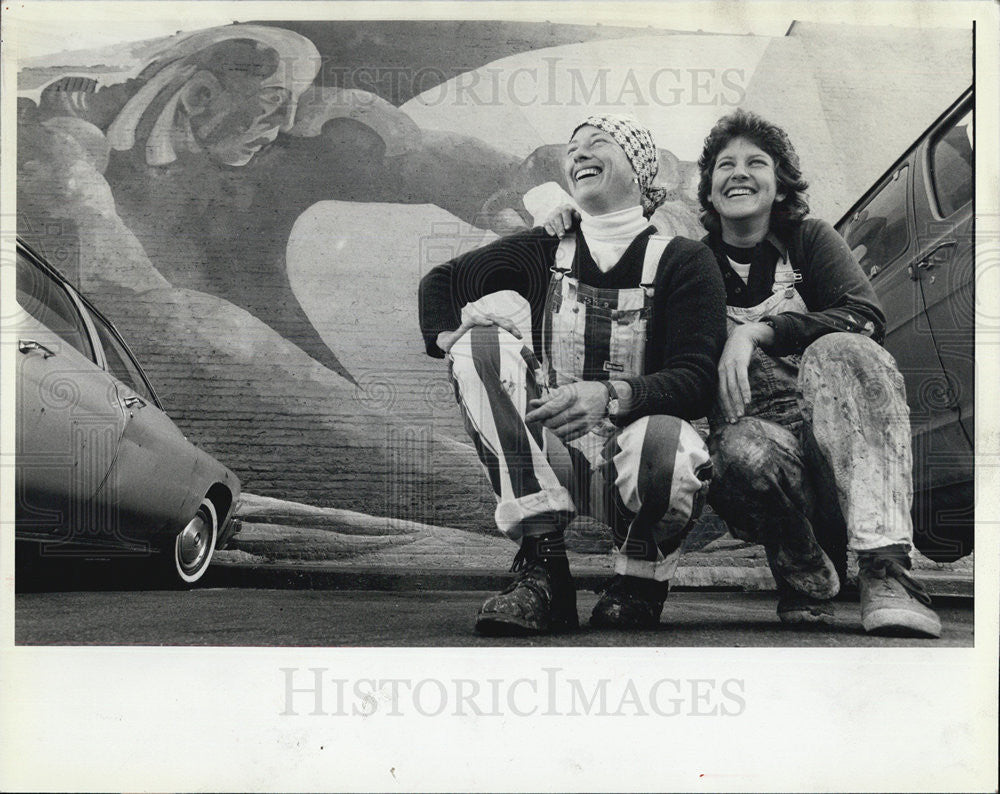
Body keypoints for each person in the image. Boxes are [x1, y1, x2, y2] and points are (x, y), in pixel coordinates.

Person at [549, 110, 942, 638]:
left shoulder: (810, 242)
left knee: (848, 350)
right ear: (707, 192)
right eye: (724, 165)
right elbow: (620, 248)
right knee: (733, 452)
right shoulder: (689, 261)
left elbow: (866, 316)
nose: (739, 172)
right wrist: (575, 221)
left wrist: (756, 332)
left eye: (756, 162)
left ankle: (886, 571)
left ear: (780, 186)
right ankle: (802, 567)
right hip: (761, 455)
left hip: (844, 449)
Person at [419, 114, 727, 635]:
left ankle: (639, 580)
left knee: (667, 440)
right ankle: (543, 568)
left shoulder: (685, 260)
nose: (579, 153)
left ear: (640, 171)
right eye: (573, 148)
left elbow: (696, 377)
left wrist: (609, 395)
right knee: (481, 344)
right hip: (555, 453)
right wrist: (448, 339)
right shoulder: (545, 249)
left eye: (599, 144)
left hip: (637, 464)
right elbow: (444, 281)